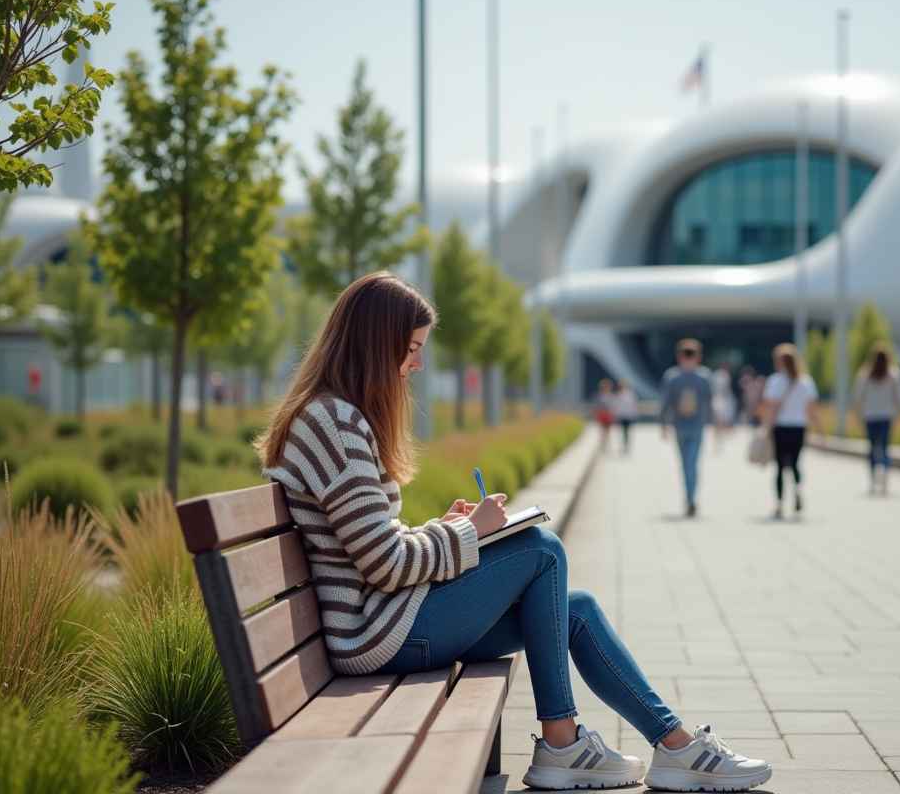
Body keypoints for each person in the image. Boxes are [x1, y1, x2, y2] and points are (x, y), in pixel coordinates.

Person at [255, 272, 771, 792]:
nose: (418, 363)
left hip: (388, 623)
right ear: (374, 342)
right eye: (411, 348)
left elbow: (368, 546)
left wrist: (449, 528)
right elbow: (384, 565)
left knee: (577, 609)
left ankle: (674, 744)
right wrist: (469, 533)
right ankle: (562, 743)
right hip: (378, 635)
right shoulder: (334, 423)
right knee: (541, 549)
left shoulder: (333, 416)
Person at [759, 343, 826, 519]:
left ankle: (779, 504)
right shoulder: (805, 382)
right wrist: (821, 434)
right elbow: (812, 411)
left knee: (780, 467)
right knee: (795, 464)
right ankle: (797, 488)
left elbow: (771, 409)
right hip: (799, 427)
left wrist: (767, 428)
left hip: (781, 427)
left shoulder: (775, 381)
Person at [660, 338, 714, 517]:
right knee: (693, 462)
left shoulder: (672, 376)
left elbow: (666, 402)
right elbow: (710, 402)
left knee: (685, 463)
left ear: (679, 356)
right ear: (698, 356)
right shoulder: (704, 376)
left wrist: (663, 424)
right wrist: (715, 422)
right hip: (698, 425)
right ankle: (691, 497)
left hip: (680, 425)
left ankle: (689, 497)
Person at [852, 343, 900, 495]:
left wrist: (858, 413)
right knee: (884, 446)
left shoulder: (865, 374)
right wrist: (899, 412)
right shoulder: (893, 374)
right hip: (886, 414)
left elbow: (858, 395)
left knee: (872, 447)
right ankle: (884, 470)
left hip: (870, 415)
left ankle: (872, 477)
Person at [710, 362, 737, 442]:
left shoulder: (717, 374)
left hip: (719, 398)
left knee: (720, 417)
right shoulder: (724, 375)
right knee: (721, 416)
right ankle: (720, 432)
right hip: (721, 399)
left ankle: (720, 432)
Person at [614, 379, 639, 454]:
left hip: (628, 416)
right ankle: (623, 445)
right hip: (621, 416)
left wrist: (634, 414)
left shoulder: (631, 394)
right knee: (621, 432)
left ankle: (627, 446)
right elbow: (616, 405)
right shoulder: (618, 395)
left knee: (628, 432)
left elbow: (634, 405)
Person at [593, 378, 617, 451]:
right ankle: (602, 445)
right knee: (602, 431)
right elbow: (596, 406)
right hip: (602, 415)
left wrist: (613, 414)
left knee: (608, 432)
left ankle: (606, 445)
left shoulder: (611, 396)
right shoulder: (599, 396)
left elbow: (614, 406)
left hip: (608, 415)